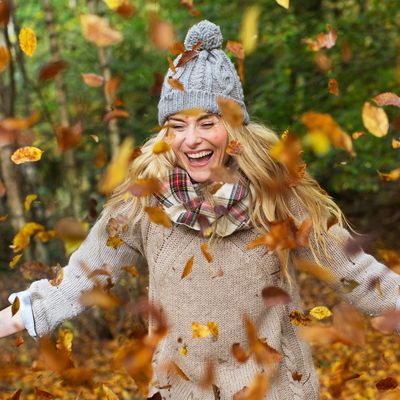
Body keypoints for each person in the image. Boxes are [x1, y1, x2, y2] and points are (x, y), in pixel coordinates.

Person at [0, 19, 399, 400]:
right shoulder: (143, 204)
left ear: (234, 125)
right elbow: (83, 277)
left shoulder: (278, 197)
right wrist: (16, 317)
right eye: (177, 125)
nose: (191, 139)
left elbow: (358, 275)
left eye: (207, 122)